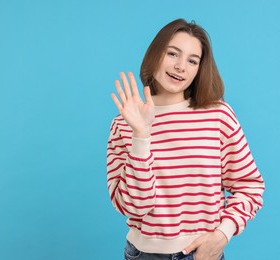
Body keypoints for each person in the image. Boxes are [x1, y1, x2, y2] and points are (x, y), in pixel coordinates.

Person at [107, 18, 265, 260]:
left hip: (201, 254)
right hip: (143, 255)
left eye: (193, 60)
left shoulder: (218, 115)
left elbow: (249, 186)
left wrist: (222, 234)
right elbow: (133, 207)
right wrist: (141, 135)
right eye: (172, 54)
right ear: (155, 55)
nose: (181, 66)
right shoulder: (124, 123)